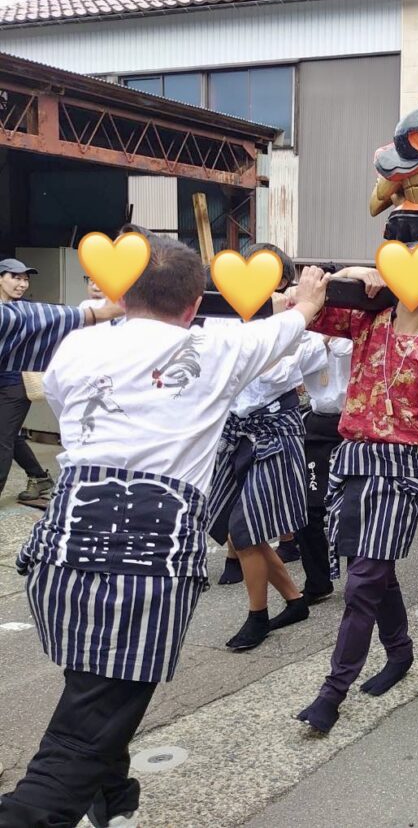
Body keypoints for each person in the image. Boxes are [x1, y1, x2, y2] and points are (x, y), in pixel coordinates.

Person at [0, 237, 328, 828]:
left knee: (94, 690)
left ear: (123, 290)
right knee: (79, 737)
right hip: (144, 558)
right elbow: (292, 323)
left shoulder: (78, 344)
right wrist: (306, 300)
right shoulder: (217, 347)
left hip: (61, 546)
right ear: (192, 303)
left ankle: (114, 801)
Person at [295, 266, 418, 734]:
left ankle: (331, 695)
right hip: (351, 461)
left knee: (362, 581)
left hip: (400, 468)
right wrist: (349, 273)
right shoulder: (367, 321)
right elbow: (306, 309)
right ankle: (399, 649)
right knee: (371, 568)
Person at [206, 245, 319, 651]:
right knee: (239, 528)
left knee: (246, 527)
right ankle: (294, 599)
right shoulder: (221, 321)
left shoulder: (297, 323)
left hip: (276, 428)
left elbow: (278, 372)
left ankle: (257, 617)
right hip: (236, 430)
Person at [297, 327, 354, 601]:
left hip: (353, 423)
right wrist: (321, 338)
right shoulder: (305, 333)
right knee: (309, 508)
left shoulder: (356, 327)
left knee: (353, 507)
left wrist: (335, 331)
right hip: (318, 422)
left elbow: (346, 350)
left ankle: (359, 578)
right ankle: (317, 581)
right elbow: (295, 365)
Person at [0, 259, 56, 505]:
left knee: (2, 438)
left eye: (25, 279)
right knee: (9, 435)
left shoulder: (29, 311)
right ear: (1, 278)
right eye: (16, 277)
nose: (22, 284)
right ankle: (39, 476)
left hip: (15, 384)